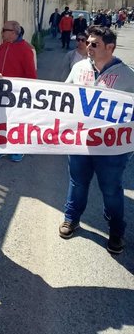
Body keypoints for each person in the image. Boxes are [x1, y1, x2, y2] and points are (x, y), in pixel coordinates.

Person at [60, 25, 134, 254]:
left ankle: (116, 231)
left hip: (112, 148)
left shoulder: (127, 75)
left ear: (110, 47)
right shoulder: (80, 66)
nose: (88, 47)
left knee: (111, 188)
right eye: (88, 42)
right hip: (81, 142)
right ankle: (71, 218)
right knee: (77, 182)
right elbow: (63, 96)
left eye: (95, 44)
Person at [0, 20, 37, 162]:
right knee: (1, 119)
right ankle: (0, 146)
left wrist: (28, 95)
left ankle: (17, 149)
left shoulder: (26, 49)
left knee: (17, 121)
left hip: (18, 93)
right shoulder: (2, 47)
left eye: (5, 29)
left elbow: (31, 74)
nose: (2, 32)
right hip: (1, 91)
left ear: (14, 32)